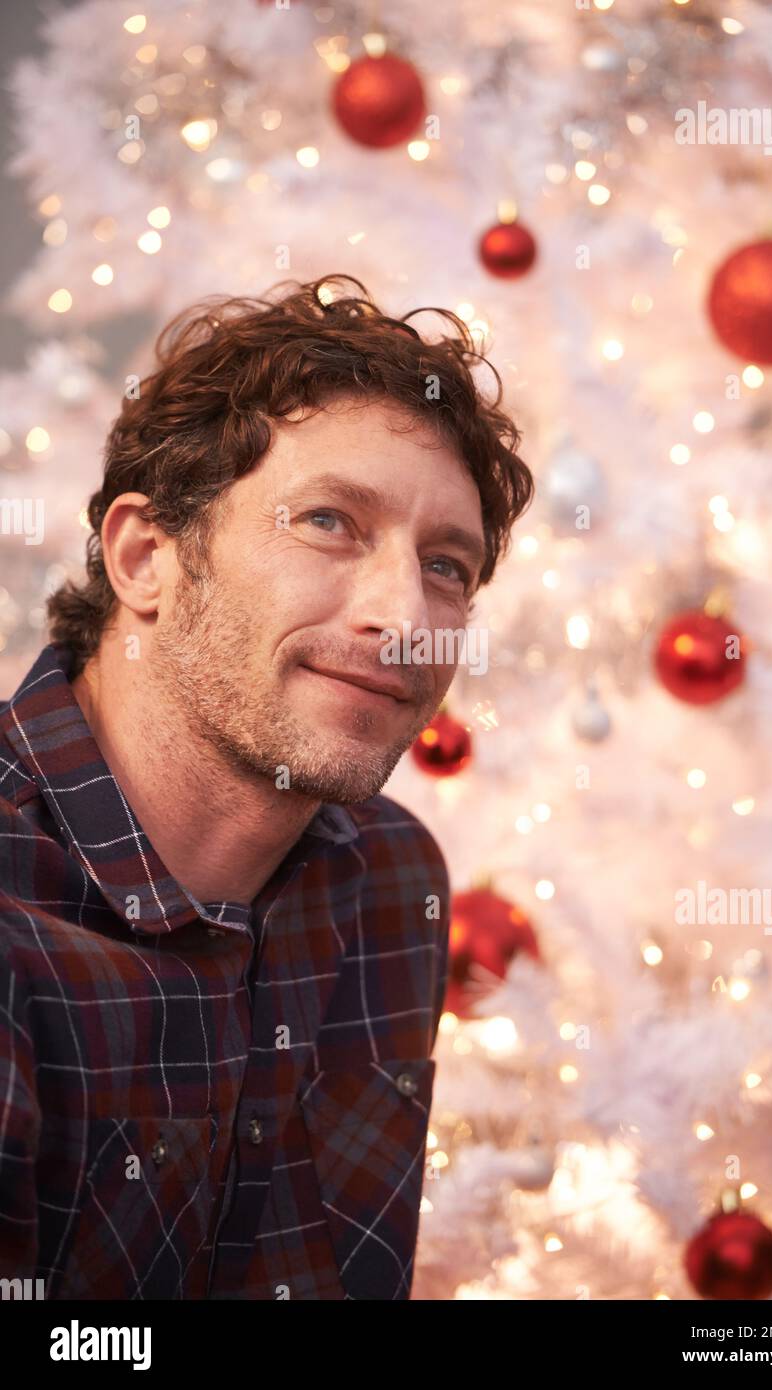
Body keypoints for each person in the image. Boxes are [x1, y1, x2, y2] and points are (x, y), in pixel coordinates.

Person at [0, 274, 533, 1299]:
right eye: (329, 520)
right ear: (147, 556)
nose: (403, 613)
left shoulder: (388, 879)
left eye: (448, 566)